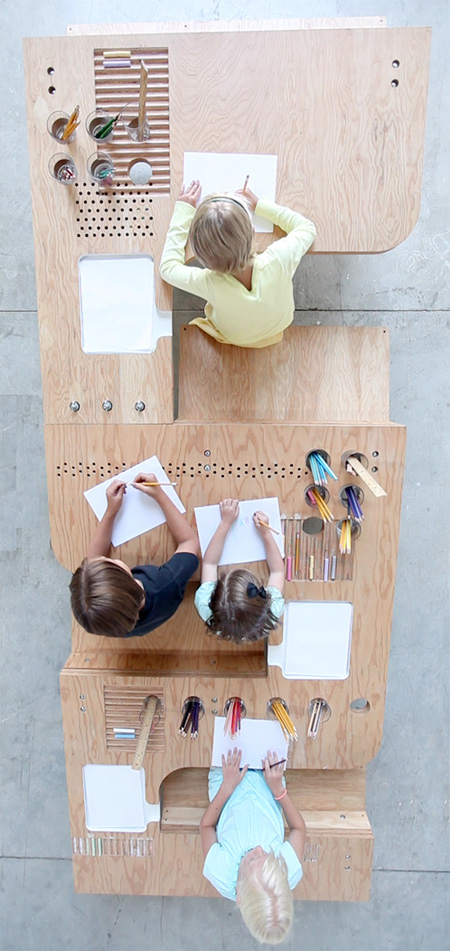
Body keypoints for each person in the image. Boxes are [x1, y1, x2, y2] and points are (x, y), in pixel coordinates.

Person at [159, 179, 316, 348]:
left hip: (234, 337)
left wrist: (184, 210)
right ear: (253, 232)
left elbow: (167, 268)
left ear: (202, 260)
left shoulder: (209, 283)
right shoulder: (279, 258)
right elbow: (307, 228)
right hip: (280, 325)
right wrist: (261, 206)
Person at [70, 474, 199, 638]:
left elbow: (93, 558)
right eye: (111, 562)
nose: (100, 558)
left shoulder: (112, 621)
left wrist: (110, 511)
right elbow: (189, 543)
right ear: (128, 579)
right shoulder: (166, 583)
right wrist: (160, 495)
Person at [200, 747, 306, 945]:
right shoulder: (284, 872)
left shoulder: (219, 871)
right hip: (269, 775)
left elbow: (206, 826)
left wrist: (227, 787)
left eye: (251, 859)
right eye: (266, 854)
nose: (258, 849)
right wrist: (279, 791)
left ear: (239, 896)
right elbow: (299, 828)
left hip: (226, 774)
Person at [194, 499, 285, 643]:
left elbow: (210, 564)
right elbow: (277, 571)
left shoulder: (205, 605)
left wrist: (225, 523)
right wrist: (266, 533)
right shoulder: (272, 611)